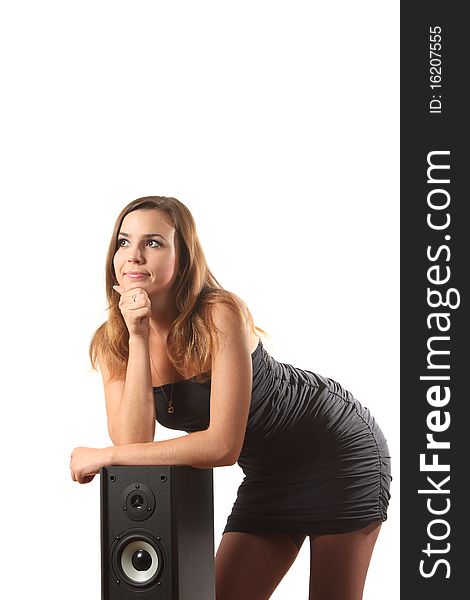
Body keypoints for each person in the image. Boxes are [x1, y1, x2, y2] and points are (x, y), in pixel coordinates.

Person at [70, 195, 392, 599]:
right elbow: (133, 442)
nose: (133, 256)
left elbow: (222, 446)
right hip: (267, 475)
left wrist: (105, 456)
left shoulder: (219, 314)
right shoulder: (114, 340)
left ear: (184, 257)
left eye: (153, 242)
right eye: (123, 242)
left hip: (336, 450)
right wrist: (138, 335)